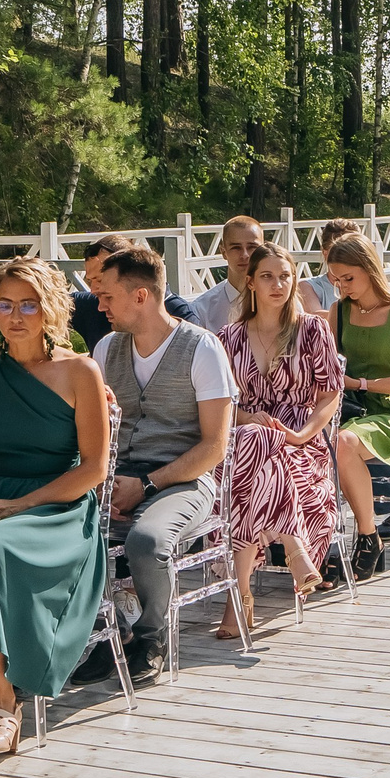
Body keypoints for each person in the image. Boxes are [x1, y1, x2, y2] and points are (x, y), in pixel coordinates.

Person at [0, 256, 112, 755]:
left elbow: (94, 469)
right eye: (6, 304)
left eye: (29, 305)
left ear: (51, 310)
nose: (16, 316)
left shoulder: (80, 370)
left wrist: (24, 503)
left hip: (59, 507)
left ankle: (2, 702)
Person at [84, 243, 233, 680]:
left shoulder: (202, 348)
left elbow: (214, 447)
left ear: (141, 296)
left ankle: (151, 636)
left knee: (146, 542)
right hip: (112, 477)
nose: (99, 304)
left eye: (107, 296)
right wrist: (99, 482)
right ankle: (101, 633)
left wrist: (145, 485)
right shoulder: (107, 349)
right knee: (59, 529)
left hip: (184, 481)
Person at [216, 244, 345, 634]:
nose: (278, 284)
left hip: (301, 440)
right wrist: (246, 417)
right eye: (268, 276)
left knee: (249, 473)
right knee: (254, 440)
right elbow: (220, 402)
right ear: (251, 282)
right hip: (243, 435)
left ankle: (237, 600)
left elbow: (330, 395)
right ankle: (293, 547)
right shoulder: (228, 337)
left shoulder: (312, 329)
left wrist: (304, 434)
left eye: (285, 276)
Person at [327, 230, 390, 579]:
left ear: (370, 268)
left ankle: (368, 537)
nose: (343, 287)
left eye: (349, 278)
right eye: (336, 280)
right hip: (347, 408)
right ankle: (318, 543)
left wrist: (361, 383)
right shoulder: (337, 311)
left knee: (341, 443)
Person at [69, 232, 196, 346]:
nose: (93, 289)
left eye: (100, 280)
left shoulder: (182, 317)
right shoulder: (91, 305)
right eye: (89, 280)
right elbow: (53, 304)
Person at [187, 213, 263, 333]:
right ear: (223, 252)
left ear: (263, 250)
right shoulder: (203, 310)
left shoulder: (279, 300)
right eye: (236, 248)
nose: (245, 255)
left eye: (252, 247)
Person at [301, 218, 356, 310]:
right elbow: (317, 318)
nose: (346, 257)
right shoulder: (308, 286)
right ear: (325, 253)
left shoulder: (366, 283)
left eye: (353, 251)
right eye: (338, 252)